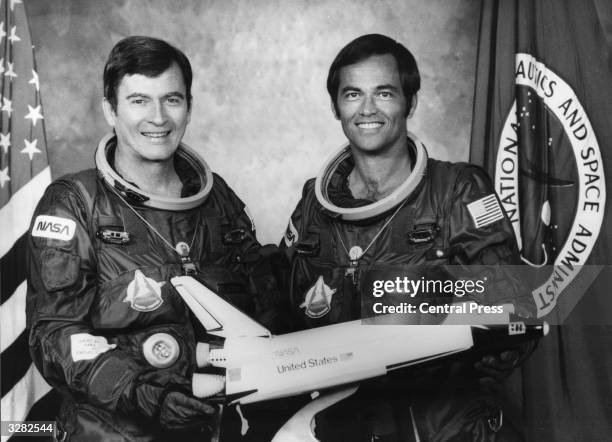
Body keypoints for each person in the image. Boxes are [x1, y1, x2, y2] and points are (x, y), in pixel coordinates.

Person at [26, 36, 284, 441]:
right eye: (139, 101)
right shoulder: (74, 204)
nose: (158, 117)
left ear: (189, 107)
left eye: (172, 99)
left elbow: (266, 314)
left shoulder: (218, 200)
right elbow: (56, 336)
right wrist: (144, 394)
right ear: (110, 109)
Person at [281, 34, 534, 441]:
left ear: (410, 102)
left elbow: (514, 310)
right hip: (343, 423)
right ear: (335, 107)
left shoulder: (457, 190)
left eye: (384, 93)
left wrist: (424, 348)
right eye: (352, 95)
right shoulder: (315, 201)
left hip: (445, 427)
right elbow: (283, 310)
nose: (367, 109)